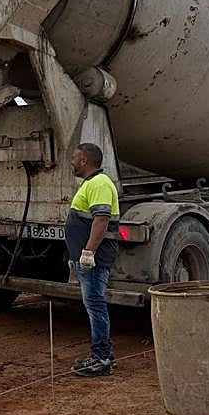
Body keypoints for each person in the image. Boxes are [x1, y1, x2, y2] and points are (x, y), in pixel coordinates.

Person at [66, 142, 121, 377]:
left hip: (94, 258)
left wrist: (88, 252)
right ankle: (103, 354)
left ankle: (102, 358)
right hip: (88, 257)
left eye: (75, 158)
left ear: (84, 161)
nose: (72, 162)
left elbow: (101, 221)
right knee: (94, 304)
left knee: (95, 305)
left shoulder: (99, 183)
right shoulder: (92, 183)